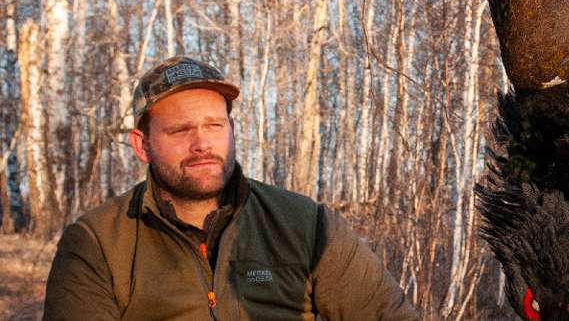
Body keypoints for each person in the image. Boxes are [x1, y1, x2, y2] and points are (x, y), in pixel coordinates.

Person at [44, 56, 419, 320]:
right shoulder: (97, 243)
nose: (202, 144)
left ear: (232, 130)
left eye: (214, 125)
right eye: (180, 130)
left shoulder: (306, 225)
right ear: (142, 145)